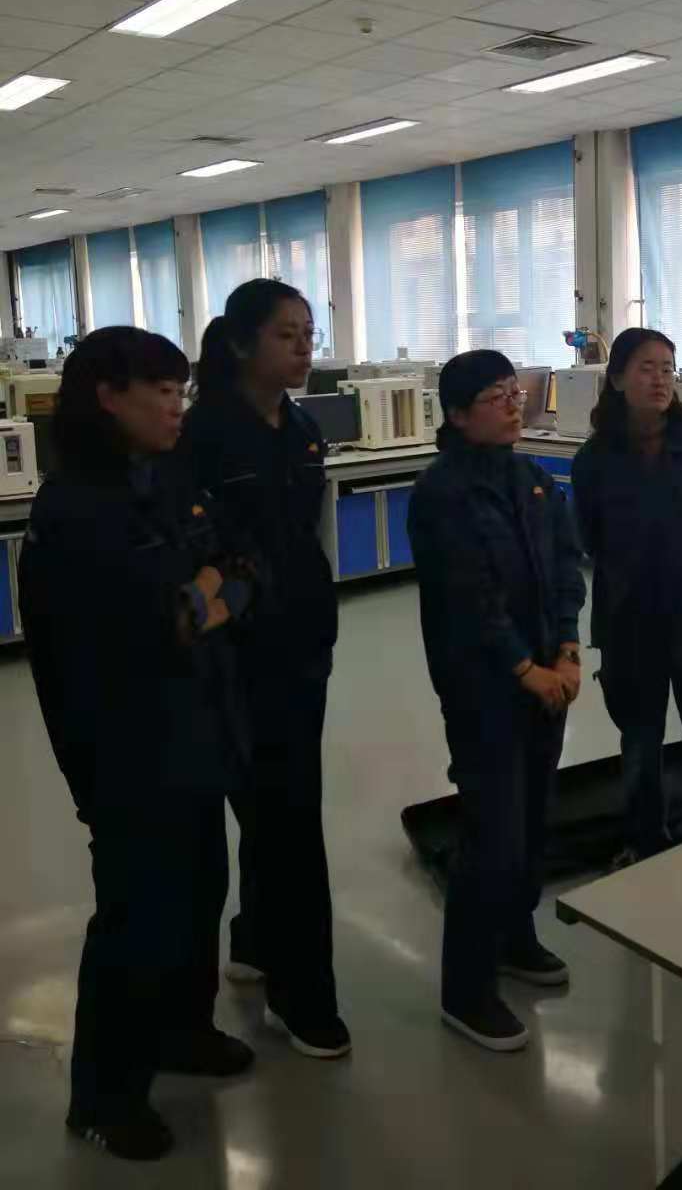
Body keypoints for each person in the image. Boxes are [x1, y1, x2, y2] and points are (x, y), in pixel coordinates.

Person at [18, 328, 254, 1161]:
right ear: (107, 396)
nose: (176, 405)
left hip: (197, 731)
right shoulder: (77, 510)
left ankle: (181, 1031)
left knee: (198, 891)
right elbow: (159, 626)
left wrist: (207, 595)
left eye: (179, 389)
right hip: (127, 751)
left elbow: (239, 568)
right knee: (136, 918)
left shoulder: (164, 477)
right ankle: (104, 1096)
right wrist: (204, 599)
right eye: (160, 390)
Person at [181, 280, 349, 1060]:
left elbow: (301, 534)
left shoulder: (302, 426)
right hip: (237, 655)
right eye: (287, 334)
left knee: (280, 806)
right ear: (242, 343)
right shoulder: (203, 435)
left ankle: (254, 940)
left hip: (301, 643)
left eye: (309, 332)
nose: (304, 346)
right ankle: (302, 994)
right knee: (287, 823)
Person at [407, 351, 586, 1054]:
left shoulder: (532, 479)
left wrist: (566, 648)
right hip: (485, 689)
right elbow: (468, 599)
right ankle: (467, 989)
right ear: (457, 414)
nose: (515, 406)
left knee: (534, 817)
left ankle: (517, 935)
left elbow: (566, 564)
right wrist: (522, 668)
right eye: (495, 397)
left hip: (547, 678)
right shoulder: (442, 494)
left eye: (516, 393)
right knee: (493, 832)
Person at [571, 328, 682, 864]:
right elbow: (590, 537)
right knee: (641, 743)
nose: (661, 378)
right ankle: (645, 841)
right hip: (630, 623)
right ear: (618, 379)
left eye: (668, 368)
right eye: (646, 367)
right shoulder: (595, 459)